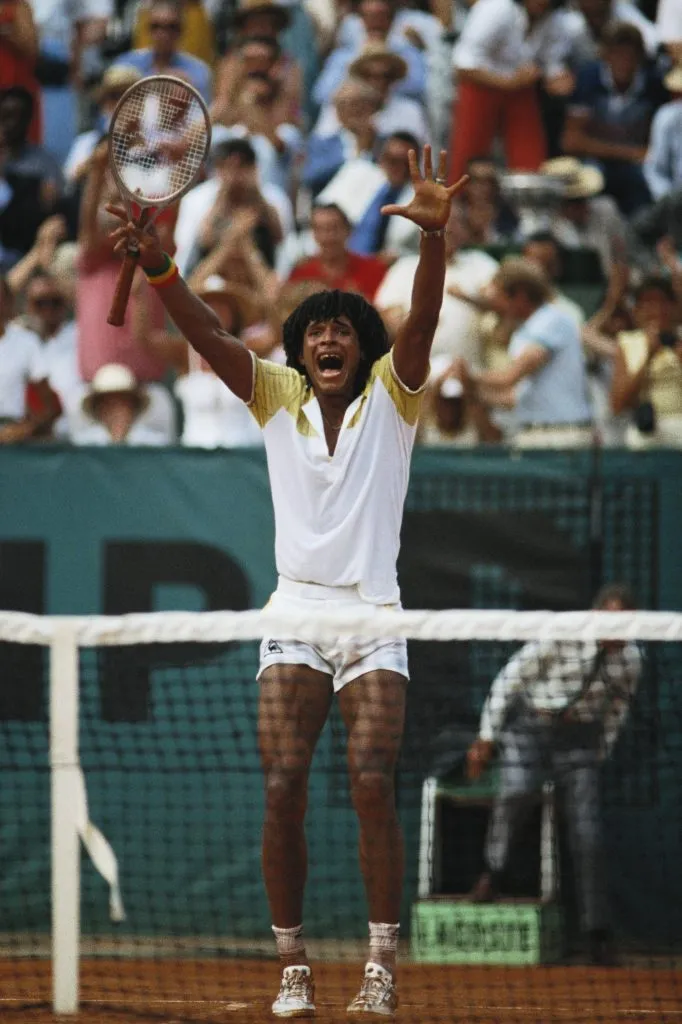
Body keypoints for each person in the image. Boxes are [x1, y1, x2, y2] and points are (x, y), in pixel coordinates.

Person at [107, 144, 466, 1018]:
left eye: (342, 327)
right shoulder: (273, 393)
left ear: (362, 345)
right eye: (315, 329)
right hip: (295, 612)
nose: (329, 336)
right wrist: (158, 264)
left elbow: (419, 321)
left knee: (373, 782)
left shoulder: (396, 391)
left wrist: (434, 243)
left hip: (374, 615)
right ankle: (295, 964)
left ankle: (380, 964)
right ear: (300, 349)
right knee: (280, 786)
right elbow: (207, 332)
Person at [466, 583, 642, 965]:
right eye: (612, 622)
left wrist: (599, 752)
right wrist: (486, 736)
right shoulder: (561, 635)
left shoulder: (630, 661)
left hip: (581, 742)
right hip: (530, 728)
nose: (618, 632)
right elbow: (510, 679)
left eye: (626, 625)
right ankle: (493, 871)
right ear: (595, 615)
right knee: (516, 791)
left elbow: (616, 713)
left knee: (588, 831)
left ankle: (597, 932)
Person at [458, 258, 593, 448]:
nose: (496, 304)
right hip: (536, 435)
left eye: (500, 297)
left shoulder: (551, 321)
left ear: (520, 295)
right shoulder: (524, 332)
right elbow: (515, 398)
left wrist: (468, 374)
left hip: (563, 437)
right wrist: (473, 393)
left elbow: (509, 377)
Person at [289, 203, 388, 301]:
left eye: (333, 228)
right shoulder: (301, 273)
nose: (327, 237)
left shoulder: (373, 269)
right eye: (319, 229)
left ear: (348, 230)